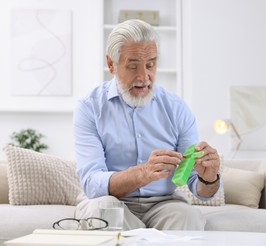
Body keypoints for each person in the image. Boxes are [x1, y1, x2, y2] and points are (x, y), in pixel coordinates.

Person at [73, 19, 222, 230]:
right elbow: (91, 183)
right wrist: (142, 173)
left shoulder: (177, 108)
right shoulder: (89, 109)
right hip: (109, 199)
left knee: (187, 215)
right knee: (103, 210)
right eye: (133, 66)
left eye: (151, 65)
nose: (144, 77)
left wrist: (209, 179)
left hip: (163, 203)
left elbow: (197, 185)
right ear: (111, 64)